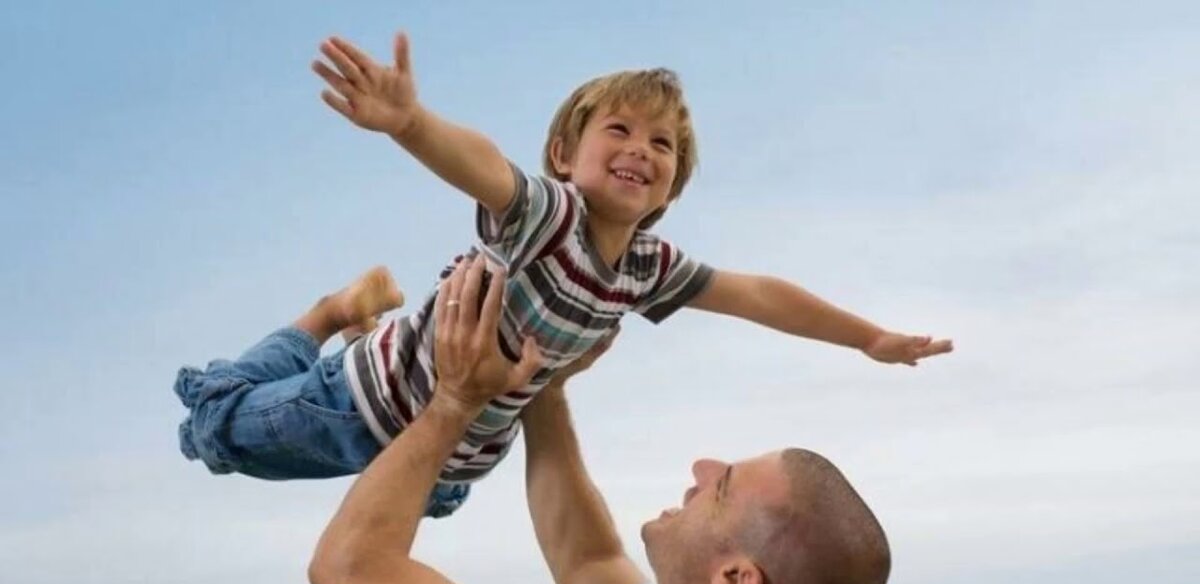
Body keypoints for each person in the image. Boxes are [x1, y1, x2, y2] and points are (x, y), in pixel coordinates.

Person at [174, 28, 952, 518]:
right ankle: (331, 313)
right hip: (360, 405)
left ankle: (347, 316)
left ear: (671, 187)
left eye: (662, 144)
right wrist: (411, 124)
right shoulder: (550, 215)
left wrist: (867, 337)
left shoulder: (647, 267)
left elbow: (756, 295)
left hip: (447, 467)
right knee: (212, 428)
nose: (641, 148)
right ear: (563, 156)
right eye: (620, 129)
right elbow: (486, 168)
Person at [309, 255, 892, 584]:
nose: (702, 470)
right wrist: (544, 384)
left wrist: (455, 401)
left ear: (736, 580)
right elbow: (588, 562)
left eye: (722, 489)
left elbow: (350, 570)